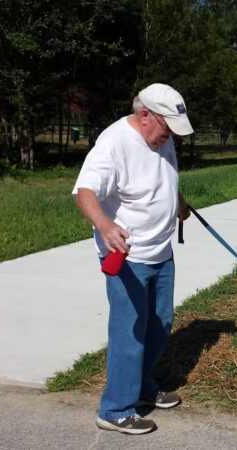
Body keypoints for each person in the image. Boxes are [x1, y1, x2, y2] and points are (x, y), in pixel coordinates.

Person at [72, 83, 193, 435]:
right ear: (144, 116)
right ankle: (115, 409)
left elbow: (164, 176)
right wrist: (106, 225)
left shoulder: (161, 136)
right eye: (167, 129)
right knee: (130, 332)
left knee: (161, 323)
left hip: (161, 250)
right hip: (127, 256)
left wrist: (179, 204)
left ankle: (141, 388)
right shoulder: (113, 144)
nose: (169, 138)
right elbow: (85, 191)